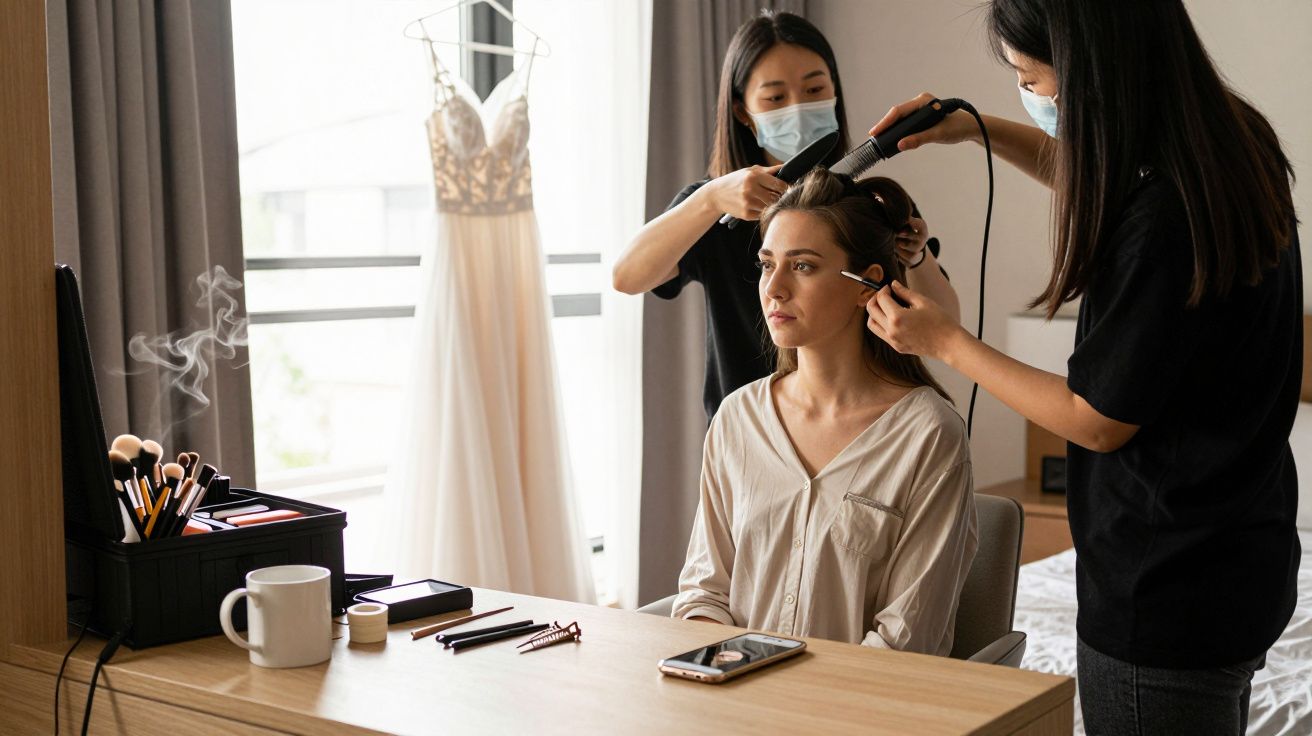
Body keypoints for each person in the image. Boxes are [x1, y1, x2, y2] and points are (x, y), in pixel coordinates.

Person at [864, 1, 1301, 731]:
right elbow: (1103, 171)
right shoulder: (1225, 142)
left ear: (1096, 76)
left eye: (1032, 79)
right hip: (1240, 565)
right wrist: (974, 131)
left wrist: (946, 342)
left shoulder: (1165, 220)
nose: (1029, 96)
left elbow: (1097, 420)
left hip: (1163, 594)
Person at [673, 169, 977, 654]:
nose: (773, 288)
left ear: (867, 284)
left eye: (804, 266)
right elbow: (704, 591)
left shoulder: (928, 434)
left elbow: (907, 638)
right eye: (767, 264)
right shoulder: (737, 418)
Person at [613, 10, 960, 419]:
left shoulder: (870, 202)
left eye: (815, 89)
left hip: (861, 425)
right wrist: (707, 200)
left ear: (835, 92)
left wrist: (916, 257)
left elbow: (945, 326)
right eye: (776, 97)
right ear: (744, 111)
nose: (799, 107)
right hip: (750, 433)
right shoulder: (714, 212)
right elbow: (627, 277)